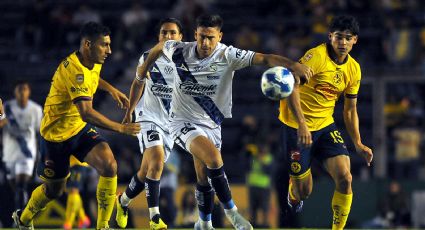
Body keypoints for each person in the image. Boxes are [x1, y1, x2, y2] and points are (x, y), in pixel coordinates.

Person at [134, 14, 312, 230]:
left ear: (220, 36)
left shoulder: (228, 54)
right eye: (201, 37)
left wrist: (294, 65)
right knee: (214, 159)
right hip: (181, 121)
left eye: (210, 37)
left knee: (202, 176)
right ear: (195, 35)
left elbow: (264, 58)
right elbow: (159, 48)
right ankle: (233, 214)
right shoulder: (180, 50)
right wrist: (142, 71)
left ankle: (204, 223)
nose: (205, 43)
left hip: (212, 123)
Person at [12, 21, 141, 230]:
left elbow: (94, 77)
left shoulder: (92, 60)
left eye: (109, 45)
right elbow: (87, 112)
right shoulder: (73, 70)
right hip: (55, 136)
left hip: (78, 128)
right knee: (54, 190)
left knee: (109, 165)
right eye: (104, 45)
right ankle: (23, 218)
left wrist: (111, 90)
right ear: (88, 44)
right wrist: (121, 128)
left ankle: (102, 226)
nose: (109, 50)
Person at [279, 15, 373, 230]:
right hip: (296, 127)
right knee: (305, 191)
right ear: (330, 37)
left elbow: (350, 110)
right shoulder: (315, 57)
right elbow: (291, 87)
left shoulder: (354, 69)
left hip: (325, 126)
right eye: (338, 37)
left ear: (355, 40)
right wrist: (302, 124)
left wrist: (358, 143)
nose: (342, 43)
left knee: (345, 178)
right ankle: (294, 192)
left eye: (347, 38)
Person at [115, 18, 184, 230]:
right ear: (158, 37)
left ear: (181, 37)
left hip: (170, 124)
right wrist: (129, 112)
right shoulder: (147, 57)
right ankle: (155, 218)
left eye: (173, 33)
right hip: (147, 117)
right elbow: (138, 84)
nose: (168, 37)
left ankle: (123, 201)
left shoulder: (189, 61)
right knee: (157, 160)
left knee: (146, 172)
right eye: (164, 33)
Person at [0, 81, 42, 212]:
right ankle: (19, 213)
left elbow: (40, 132)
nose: (22, 92)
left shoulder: (36, 109)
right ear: (15, 92)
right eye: (19, 89)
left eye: (25, 89)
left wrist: (42, 153)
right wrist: (3, 119)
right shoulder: (6, 107)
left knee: (21, 185)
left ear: (29, 92)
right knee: (15, 188)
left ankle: (21, 217)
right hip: (9, 153)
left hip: (27, 153)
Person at [63, 156, 91, 230]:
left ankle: (69, 222)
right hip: (73, 164)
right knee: (71, 191)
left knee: (73, 190)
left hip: (78, 163)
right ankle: (83, 219)